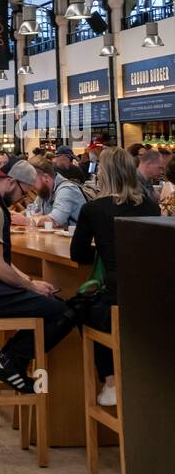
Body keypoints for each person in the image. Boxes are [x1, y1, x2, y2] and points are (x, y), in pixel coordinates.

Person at [0, 156, 76, 394]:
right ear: (10, 182)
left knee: (51, 304)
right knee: (63, 312)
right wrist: (31, 288)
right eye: (24, 192)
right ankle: (8, 360)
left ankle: (8, 360)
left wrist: (30, 282)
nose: (22, 198)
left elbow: (2, 262)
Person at [70, 146, 160, 407]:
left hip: (115, 301)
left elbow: (78, 254)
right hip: (149, 302)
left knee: (80, 308)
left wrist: (104, 251)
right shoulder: (152, 207)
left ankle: (110, 380)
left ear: (104, 173)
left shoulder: (94, 209)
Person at [19, 158, 86, 229]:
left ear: (46, 178)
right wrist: (15, 216)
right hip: (58, 239)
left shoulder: (67, 189)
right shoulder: (45, 190)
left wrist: (25, 221)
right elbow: (33, 210)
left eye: (32, 181)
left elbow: (54, 221)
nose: (30, 187)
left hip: (75, 239)